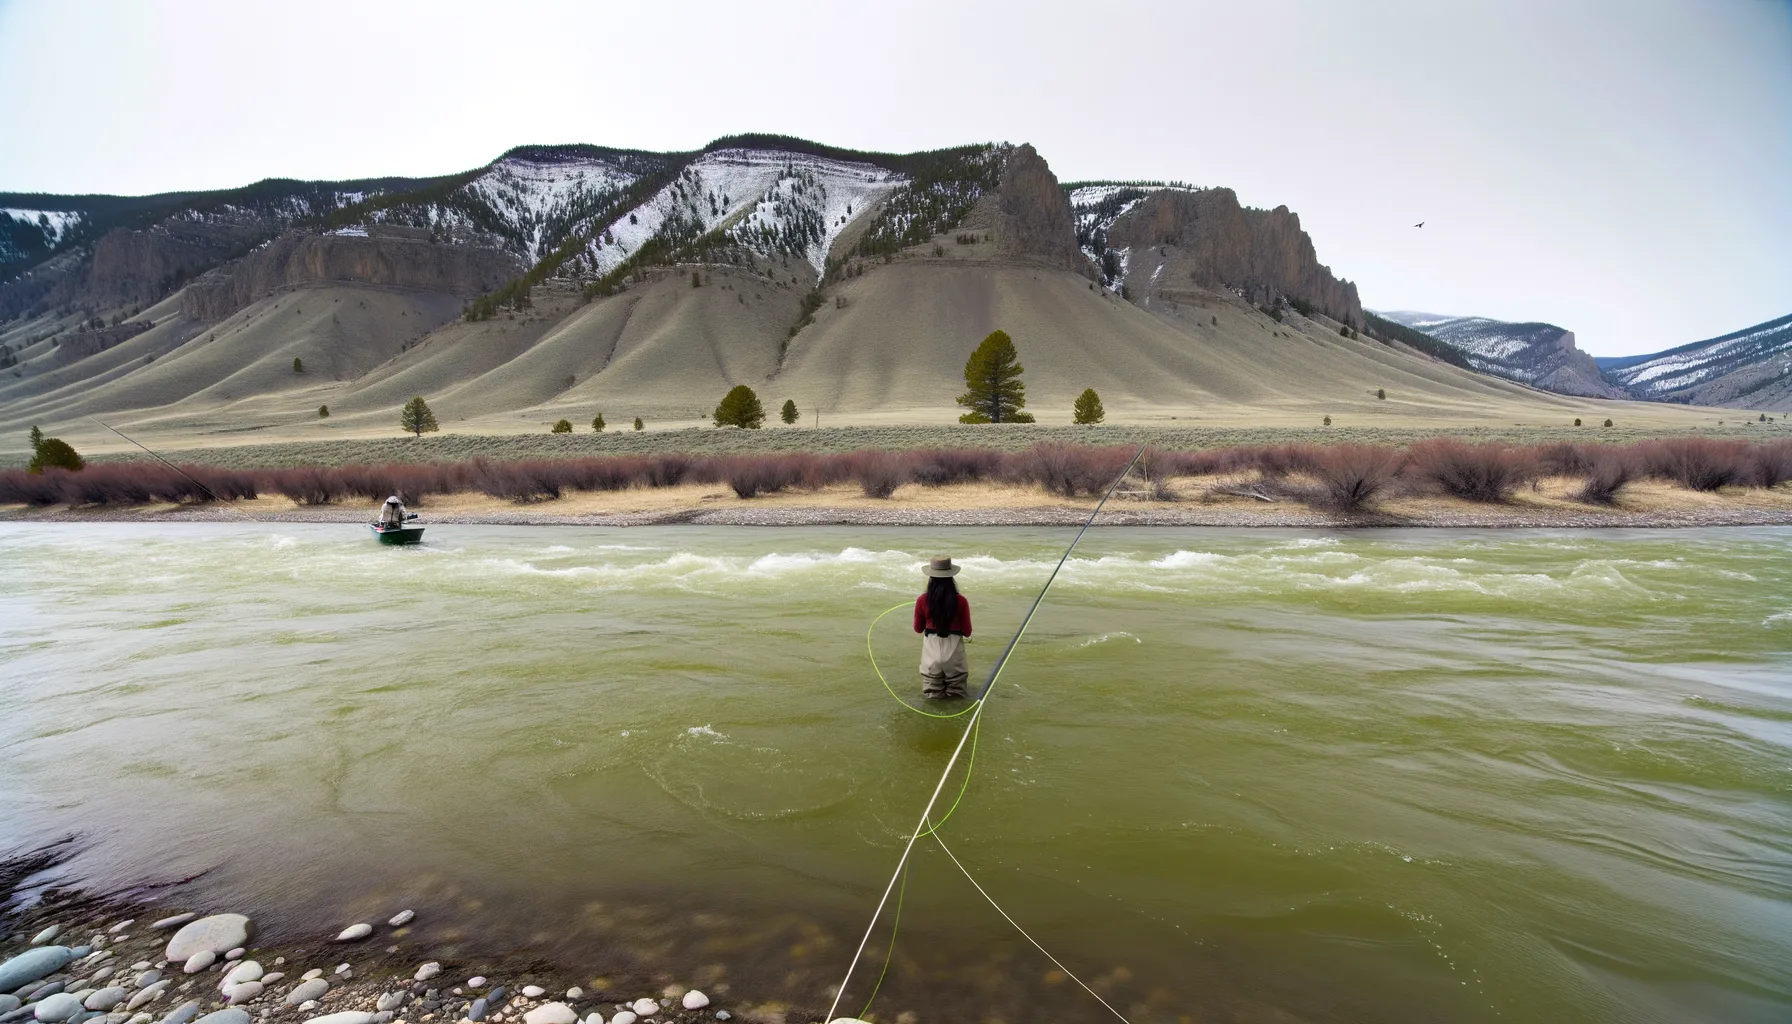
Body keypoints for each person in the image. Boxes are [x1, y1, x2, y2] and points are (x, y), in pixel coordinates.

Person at [914, 556, 973, 699]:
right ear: (951, 577)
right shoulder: (961, 601)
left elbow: (918, 628)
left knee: (932, 697)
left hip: (931, 654)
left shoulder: (922, 600)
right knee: (957, 696)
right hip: (954, 656)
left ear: (931, 577)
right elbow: (967, 631)